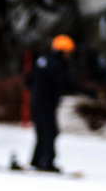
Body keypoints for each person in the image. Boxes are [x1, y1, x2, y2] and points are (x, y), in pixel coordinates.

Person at [27, 34, 76, 172]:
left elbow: (28, 80)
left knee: (42, 132)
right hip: (46, 102)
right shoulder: (56, 65)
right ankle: (46, 162)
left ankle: (37, 160)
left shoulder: (43, 61)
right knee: (49, 132)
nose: (69, 56)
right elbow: (64, 84)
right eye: (67, 52)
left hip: (38, 101)